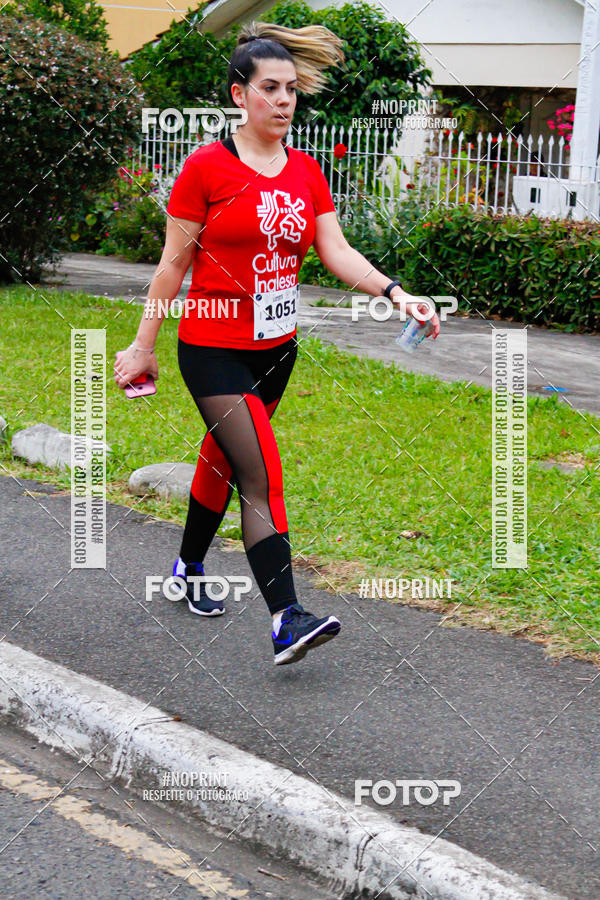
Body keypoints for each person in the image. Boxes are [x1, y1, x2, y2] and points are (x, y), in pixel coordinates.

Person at [114, 21, 440, 666]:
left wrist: (396, 293)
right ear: (240, 95)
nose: (285, 99)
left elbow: (336, 251)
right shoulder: (206, 167)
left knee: (224, 461)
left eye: (292, 88)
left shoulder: (306, 173)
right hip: (210, 345)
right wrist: (142, 344)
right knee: (262, 475)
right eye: (270, 88)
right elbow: (172, 266)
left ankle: (186, 567)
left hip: (275, 348)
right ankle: (286, 617)